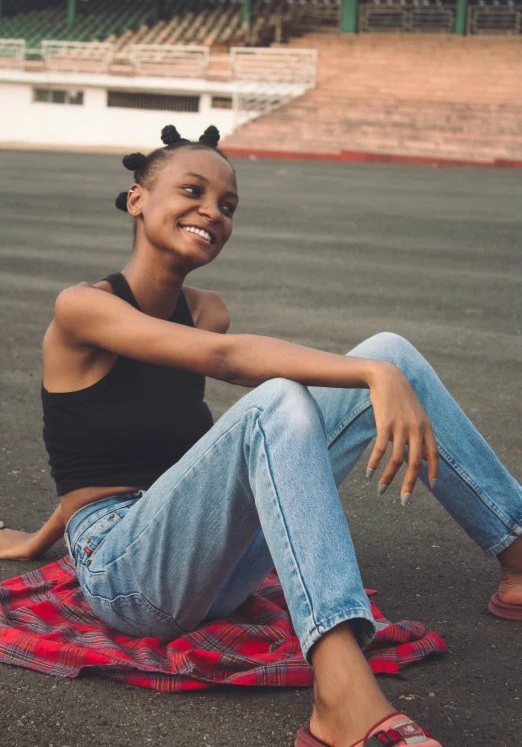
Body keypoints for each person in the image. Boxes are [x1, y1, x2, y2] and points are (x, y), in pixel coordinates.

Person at [1, 124, 521, 747]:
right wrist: (366, 375)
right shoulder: (82, 307)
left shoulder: (207, 310)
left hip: (204, 559)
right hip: (123, 572)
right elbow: (220, 366)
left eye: (227, 206)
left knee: (394, 353)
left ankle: (516, 554)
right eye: (191, 190)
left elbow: (165, 453)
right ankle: (341, 697)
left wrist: (382, 370)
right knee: (284, 395)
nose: (212, 213)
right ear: (137, 199)